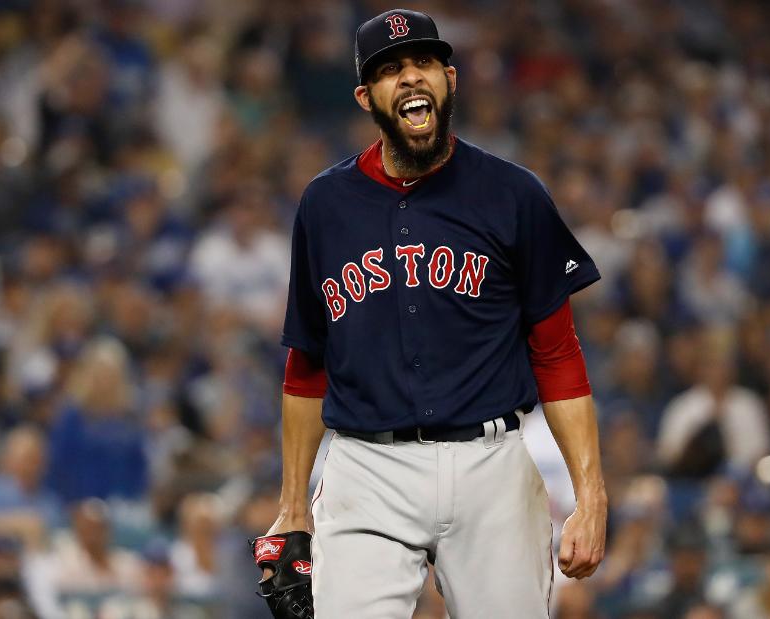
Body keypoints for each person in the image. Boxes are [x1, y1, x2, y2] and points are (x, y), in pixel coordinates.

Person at [256, 8, 608, 617]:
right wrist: (292, 507)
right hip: (366, 469)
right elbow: (306, 365)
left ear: (450, 78)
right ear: (367, 97)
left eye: (423, 62)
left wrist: (591, 494)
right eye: (391, 70)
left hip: (490, 466)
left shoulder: (513, 194)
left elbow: (557, 352)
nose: (411, 78)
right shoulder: (325, 204)